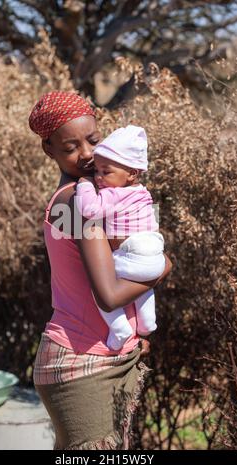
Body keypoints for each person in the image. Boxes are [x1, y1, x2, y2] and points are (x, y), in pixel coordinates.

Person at [29, 90, 172, 450]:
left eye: (93, 139)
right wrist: (165, 266)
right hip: (82, 364)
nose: (88, 153)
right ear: (49, 150)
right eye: (70, 147)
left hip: (100, 356)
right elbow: (108, 295)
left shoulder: (94, 193)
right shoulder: (78, 202)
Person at [75, 125, 166, 351]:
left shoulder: (113, 193)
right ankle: (147, 324)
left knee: (100, 288)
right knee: (143, 285)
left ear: (132, 173)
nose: (98, 178)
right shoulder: (144, 193)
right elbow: (153, 222)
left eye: (106, 172)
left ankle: (120, 329)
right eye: (96, 172)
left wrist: (84, 185)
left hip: (133, 251)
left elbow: (89, 209)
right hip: (156, 254)